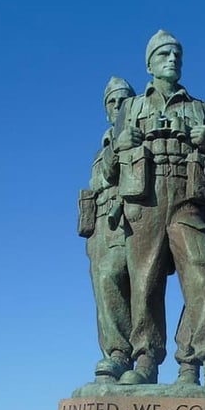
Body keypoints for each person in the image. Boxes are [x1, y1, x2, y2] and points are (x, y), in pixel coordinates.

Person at [112, 30, 205, 391]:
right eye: (164, 54)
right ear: (150, 63)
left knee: (202, 274)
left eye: (177, 56)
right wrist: (120, 147)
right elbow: (109, 168)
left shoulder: (200, 108)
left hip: (187, 199)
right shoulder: (132, 108)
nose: (172, 60)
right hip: (145, 200)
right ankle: (145, 360)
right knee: (145, 283)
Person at [78, 77, 136, 383]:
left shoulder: (134, 138)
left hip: (125, 220)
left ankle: (122, 352)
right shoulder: (103, 145)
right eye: (112, 101)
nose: (118, 106)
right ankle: (113, 358)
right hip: (98, 225)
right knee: (103, 291)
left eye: (124, 100)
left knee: (114, 277)